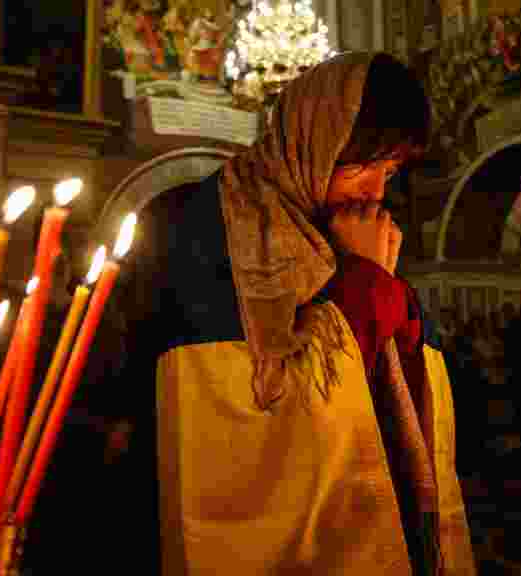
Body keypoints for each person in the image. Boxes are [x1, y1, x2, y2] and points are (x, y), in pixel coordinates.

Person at [124, 52, 475, 574]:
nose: (376, 191)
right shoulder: (194, 222)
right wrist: (366, 284)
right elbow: (236, 417)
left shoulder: (360, 233)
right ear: (313, 136)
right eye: (361, 163)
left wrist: (377, 282)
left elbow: (399, 387)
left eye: (391, 169)